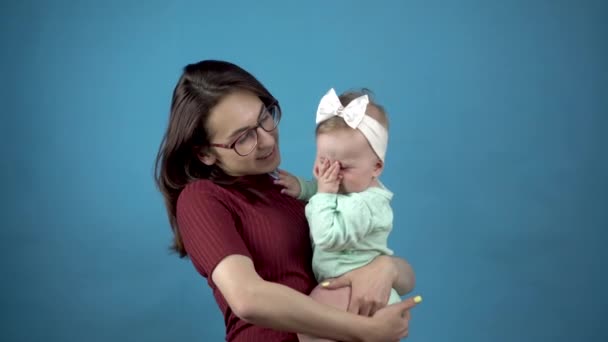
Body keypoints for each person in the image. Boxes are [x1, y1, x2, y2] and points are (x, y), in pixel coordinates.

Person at [155, 59, 421, 342]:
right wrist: (366, 330)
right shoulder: (203, 198)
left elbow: (403, 276)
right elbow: (248, 298)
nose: (267, 140)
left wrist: (385, 268)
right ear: (205, 153)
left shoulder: (293, 193)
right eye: (244, 137)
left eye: (264, 118)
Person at [276, 88, 401, 342]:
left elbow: (327, 235)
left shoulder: (368, 205)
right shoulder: (347, 187)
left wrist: (321, 193)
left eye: (342, 166)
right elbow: (329, 193)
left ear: (376, 167)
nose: (331, 173)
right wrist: (304, 187)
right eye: (323, 160)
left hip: (362, 294)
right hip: (343, 287)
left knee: (309, 319)